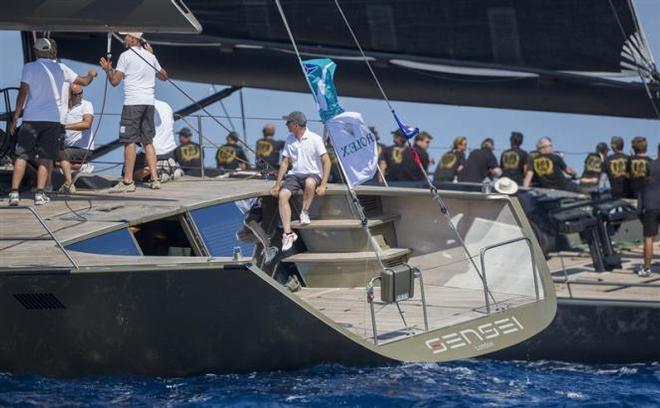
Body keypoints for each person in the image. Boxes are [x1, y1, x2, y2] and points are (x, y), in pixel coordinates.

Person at [8, 38, 97, 206]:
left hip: (31, 119)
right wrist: (91, 74)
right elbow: (84, 82)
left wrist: (15, 118)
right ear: (51, 51)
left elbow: (22, 93)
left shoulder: (29, 67)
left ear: (35, 51)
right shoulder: (61, 68)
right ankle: (40, 194)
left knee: (22, 156)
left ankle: (14, 193)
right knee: (46, 157)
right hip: (52, 120)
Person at [100, 32, 168, 193]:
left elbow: (115, 82)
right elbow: (164, 76)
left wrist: (108, 70)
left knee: (129, 141)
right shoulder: (150, 56)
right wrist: (153, 57)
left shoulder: (125, 56)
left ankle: (127, 181)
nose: (124, 39)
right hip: (148, 103)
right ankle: (155, 179)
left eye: (126, 36)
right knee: (148, 141)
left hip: (132, 103)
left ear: (133, 39)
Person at [271, 111, 331, 251]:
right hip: (294, 175)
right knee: (283, 195)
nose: (286, 125)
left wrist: (323, 184)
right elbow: (285, 162)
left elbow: (326, 161)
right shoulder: (289, 138)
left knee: (310, 183)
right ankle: (288, 234)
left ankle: (305, 212)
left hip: (313, 174)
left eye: (288, 123)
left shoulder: (315, 138)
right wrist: (277, 184)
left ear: (296, 125)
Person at [57, 83, 95, 193]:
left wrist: (64, 127)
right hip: (65, 146)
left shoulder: (86, 105)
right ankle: (78, 166)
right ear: (68, 95)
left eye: (81, 92)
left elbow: (87, 124)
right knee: (44, 156)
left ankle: (69, 183)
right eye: (76, 94)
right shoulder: (62, 107)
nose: (80, 96)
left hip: (82, 149)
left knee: (60, 156)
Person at [133, 99, 180, 183]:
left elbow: (137, 132)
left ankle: (153, 169)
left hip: (154, 153)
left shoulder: (140, 107)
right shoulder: (166, 105)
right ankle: (168, 169)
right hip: (172, 151)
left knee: (130, 172)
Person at [638, 142, 660, 277]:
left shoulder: (649, 166)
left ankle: (646, 268)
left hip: (650, 204)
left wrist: (639, 208)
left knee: (648, 238)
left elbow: (642, 188)